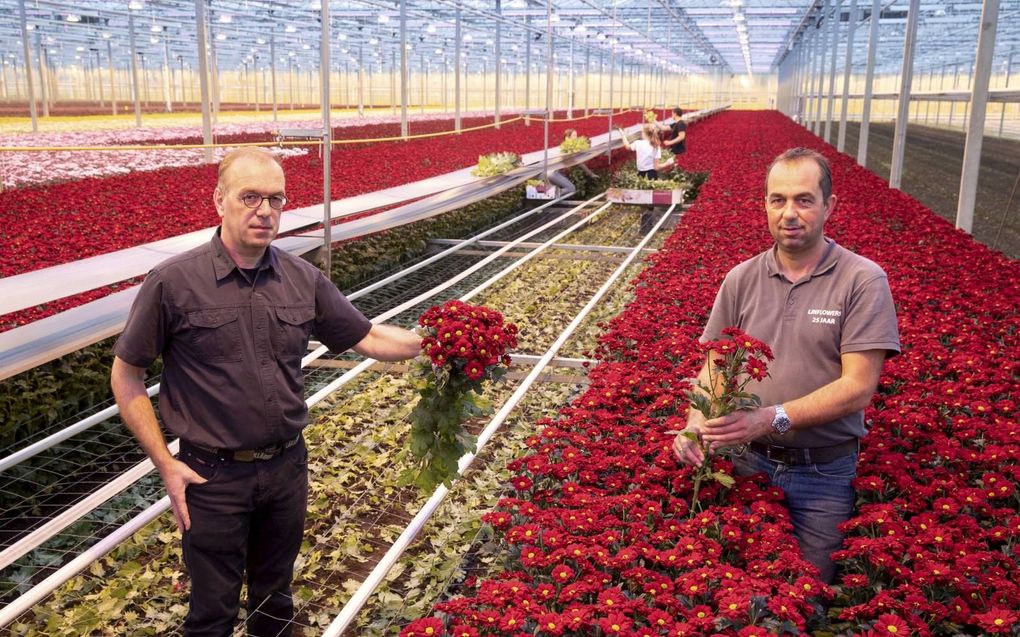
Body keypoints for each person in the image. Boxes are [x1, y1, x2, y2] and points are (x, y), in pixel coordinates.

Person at [110, 147, 422, 636]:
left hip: (285, 467)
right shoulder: (173, 283)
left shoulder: (302, 278)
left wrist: (442, 341)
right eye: (250, 196)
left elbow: (369, 336)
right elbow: (126, 374)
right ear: (219, 200)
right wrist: (165, 464)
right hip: (210, 475)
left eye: (275, 199)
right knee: (212, 611)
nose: (264, 211)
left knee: (275, 600)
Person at [672, 147, 900, 584]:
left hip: (822, 475)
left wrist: (770, 418)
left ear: (829, 206)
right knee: (740, 591)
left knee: (806, 593)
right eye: (778, 200)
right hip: (746, 462)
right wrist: (695, 423)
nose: (789, 213)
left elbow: (858, 386)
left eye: (803, 200)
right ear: (765, 206)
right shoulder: (741, 278)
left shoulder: (862, 280)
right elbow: (716, 367)